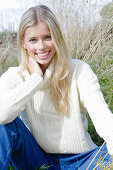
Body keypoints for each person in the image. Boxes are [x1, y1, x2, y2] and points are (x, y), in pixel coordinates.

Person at [0, 5, 113, 170]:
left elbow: (103, 117)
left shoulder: (79, 70)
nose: (41, 47)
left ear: (57, 37)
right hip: (37, 160)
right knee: (4, 124)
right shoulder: (14, 76)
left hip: (83, 162)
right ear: (23, 42)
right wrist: (35, 80)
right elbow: (1, 115)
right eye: (33, 40)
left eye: (47, 37)